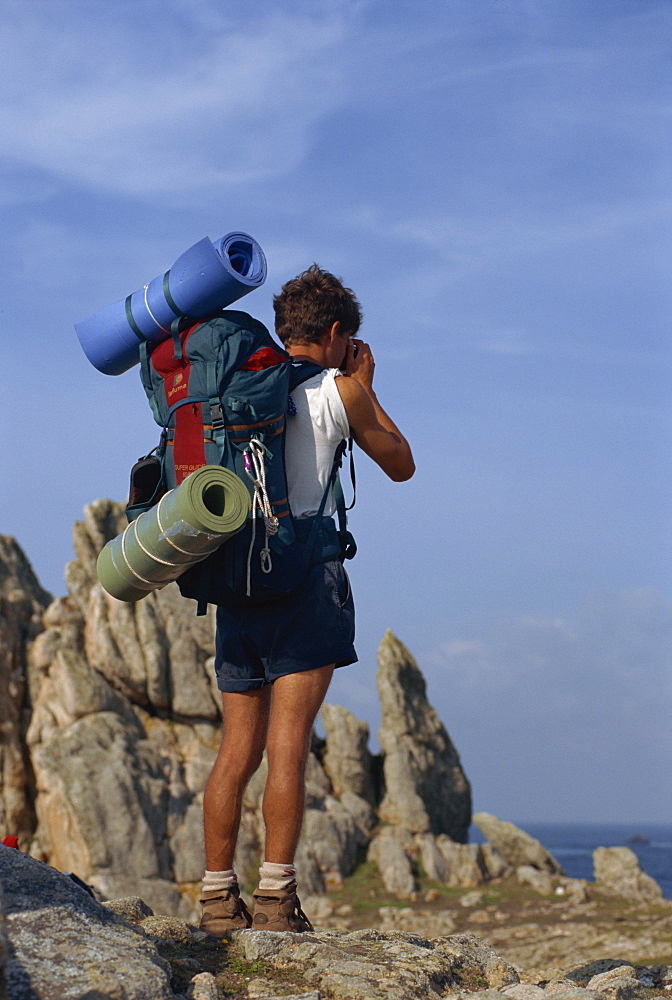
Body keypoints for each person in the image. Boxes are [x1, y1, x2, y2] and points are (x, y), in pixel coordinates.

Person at [199, 264, 415, 934]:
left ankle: (213, 900)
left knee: (236, 751)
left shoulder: (235, 390)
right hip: (306, 578)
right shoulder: (338, 392)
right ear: (335, 333)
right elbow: (402, 462)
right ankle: (273, 900)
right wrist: (365, 387)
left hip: (236, 578)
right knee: (288, 746)